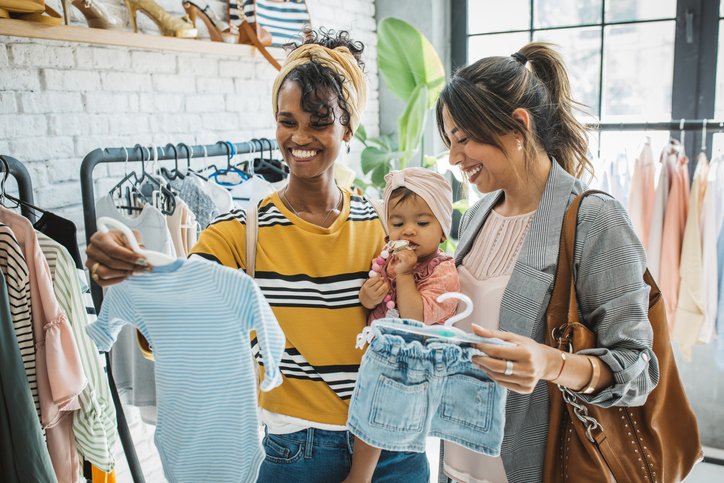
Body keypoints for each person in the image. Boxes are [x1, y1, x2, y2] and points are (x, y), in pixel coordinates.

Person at [85, 28, 430, 482]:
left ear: (349, 127)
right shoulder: (239, 233)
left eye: (319, 121)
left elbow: (421, 333)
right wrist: (136, 268)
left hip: (393, 450)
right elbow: (181, 302)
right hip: (300, 451)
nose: (299, 136)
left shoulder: (386, 226)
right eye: (287, 121)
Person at [435, 43, 660, 483]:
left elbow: (638, 367)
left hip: (533, 468)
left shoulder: (593, 217)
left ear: (518, 125)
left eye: (463, 138)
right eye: (449, 141)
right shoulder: (479, 215)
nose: (453, 158)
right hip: (455, 464)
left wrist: (550, 363)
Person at [347, 167, 460, 482]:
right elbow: (375, 304)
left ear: (441, 231)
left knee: (382, 415)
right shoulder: (388, 261)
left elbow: (414, 319)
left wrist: (407, 275)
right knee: (370, 412)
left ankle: (360, 476)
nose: (408, 231)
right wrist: (368, 296)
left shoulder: (443, 271)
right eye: (398, 224)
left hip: (413, 368)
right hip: (379, 360)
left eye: (422, 223)